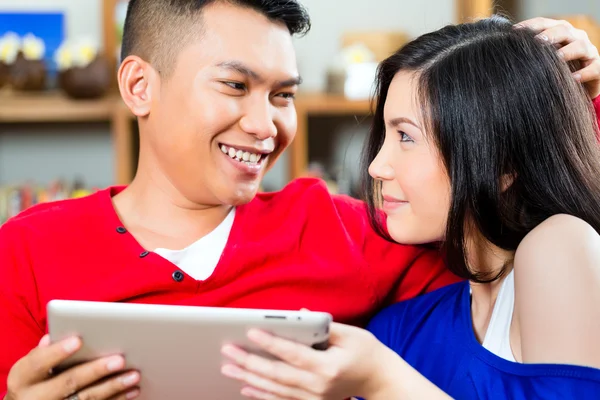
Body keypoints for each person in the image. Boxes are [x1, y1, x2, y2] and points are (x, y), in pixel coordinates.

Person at [0, 1, 596, 397]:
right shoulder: (25, 249)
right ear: (138, 86)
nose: (265, 125)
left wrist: (572, 107)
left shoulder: (354, 231)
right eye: (235, 86)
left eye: (282, 94)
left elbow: (508, 212)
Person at [218, 16, 600, 400]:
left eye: (406, 137)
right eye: (386, 134)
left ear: (503, 164)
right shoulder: (397, 332)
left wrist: (383, 381)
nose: (376, 167)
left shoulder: (558, 246)